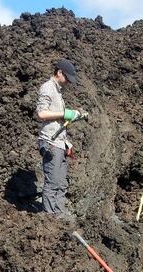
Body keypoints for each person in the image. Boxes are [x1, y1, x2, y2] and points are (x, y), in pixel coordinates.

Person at [35, 59, 86, 218]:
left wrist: (66, 143)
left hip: (59, 143)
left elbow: (57, 120)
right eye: (67, 78)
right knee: (53, 183)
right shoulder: (48, 88)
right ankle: (50, 218)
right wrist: (65, 113)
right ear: (59, 73)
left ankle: (60, 214)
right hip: (50, 142)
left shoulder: (58, 91)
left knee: (62, 184)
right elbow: (41, 114)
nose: (69, 83)